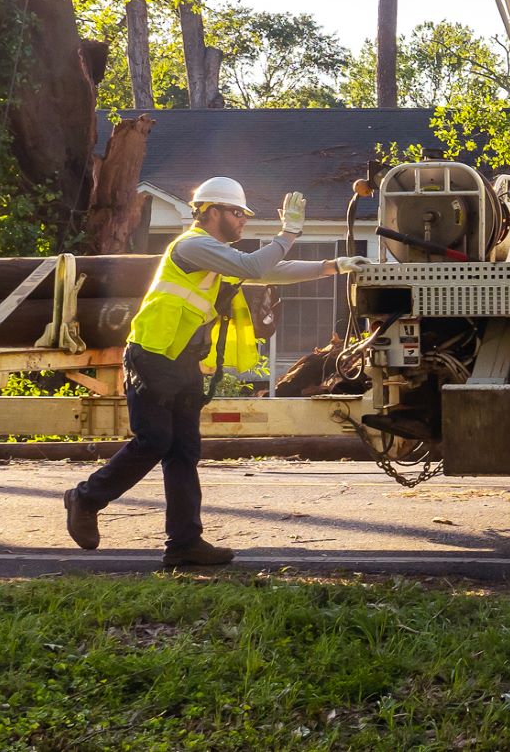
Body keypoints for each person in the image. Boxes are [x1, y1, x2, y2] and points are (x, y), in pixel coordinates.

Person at [63, 177, 366, 568]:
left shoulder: (216, 254)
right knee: (155, 441)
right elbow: (253, 264)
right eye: (237, 212)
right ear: (211, 211)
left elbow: (268, 271)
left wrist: (333, 265)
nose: (242, 220)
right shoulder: (193, 245)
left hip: (182, 360)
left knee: (184, 451)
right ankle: (85, 498)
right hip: (152, 355)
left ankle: (184, 544)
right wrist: (289, 231)